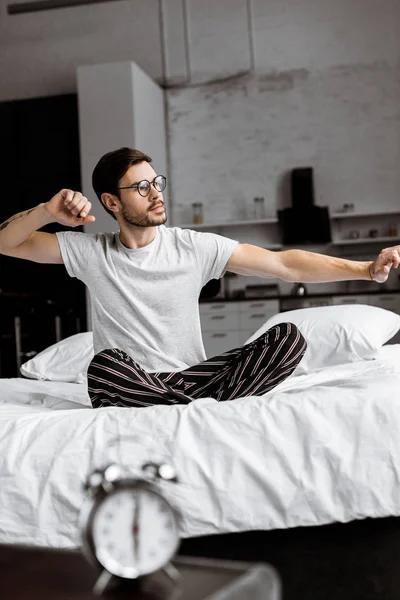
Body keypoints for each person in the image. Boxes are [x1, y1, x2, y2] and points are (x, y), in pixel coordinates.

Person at [0, 147, 399, 409]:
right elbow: (7, 242)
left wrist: (364, 269)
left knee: (289, 338)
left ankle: (182, 402)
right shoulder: (91, 252)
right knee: (104, 365)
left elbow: (284, 264)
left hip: (195, 376)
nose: (156, 193)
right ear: (112, 202)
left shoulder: (192, 247)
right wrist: (47, 212)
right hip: (129, 380)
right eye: (142, 187)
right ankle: (205, 405)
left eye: (157, 182)